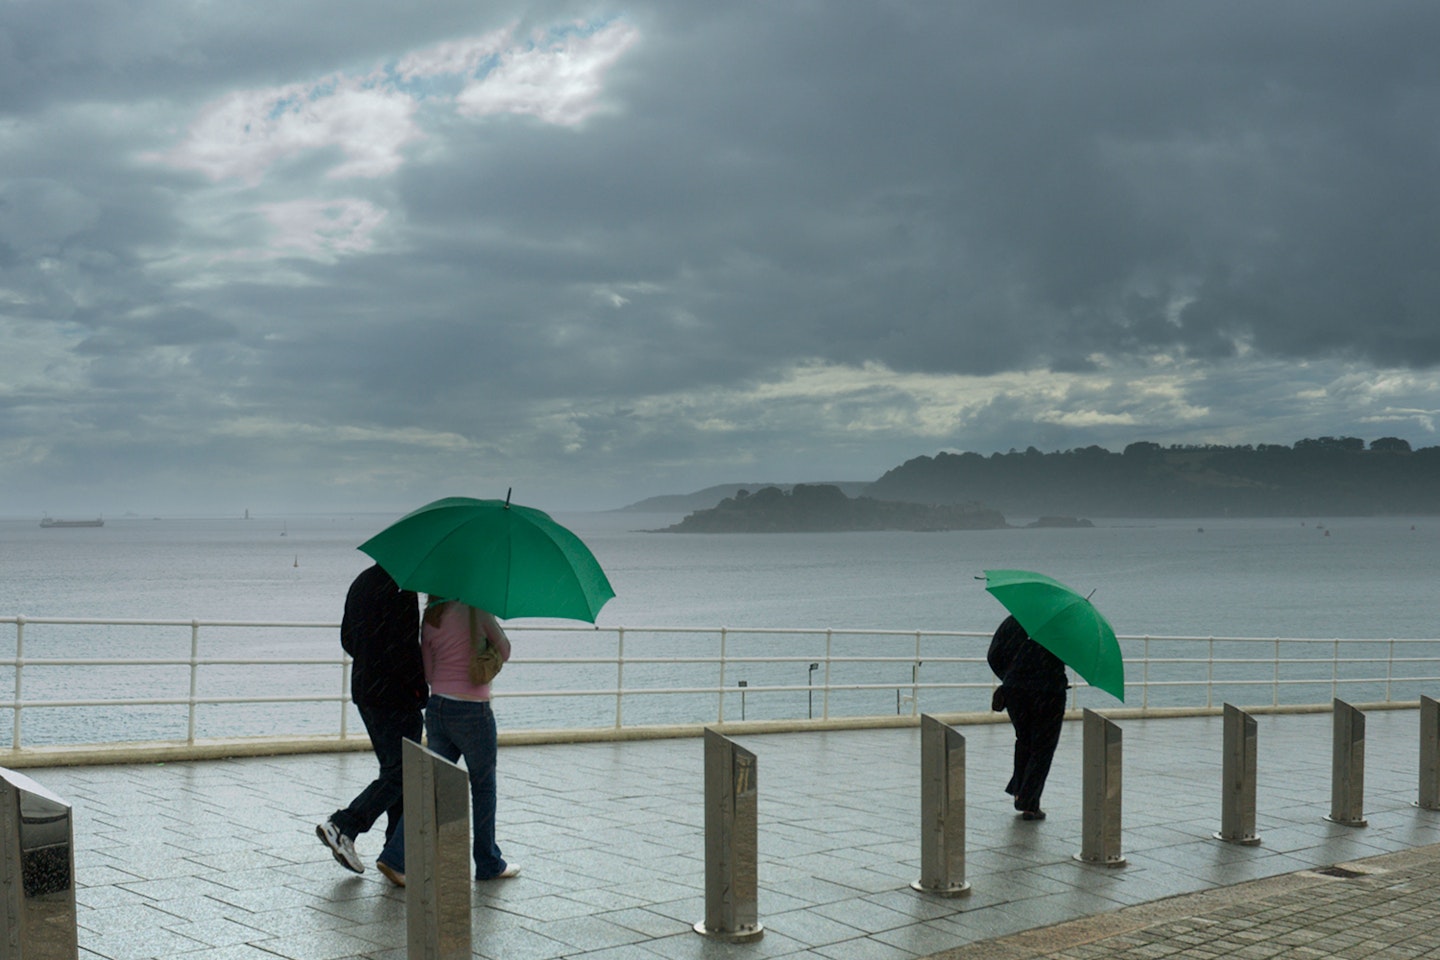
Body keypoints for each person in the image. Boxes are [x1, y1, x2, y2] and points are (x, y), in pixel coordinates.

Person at [375, 597, 518, 886]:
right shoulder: (478, 609)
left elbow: (428, 674)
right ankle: (489, 862)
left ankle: (395, 857)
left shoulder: (431, 617)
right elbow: (505, 650)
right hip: (472, 710)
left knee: (430, 787)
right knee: (483, 786)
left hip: (439, 709)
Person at [316, 564, 426, 874]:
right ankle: (343, 825)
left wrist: (371, 660)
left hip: (366, 688)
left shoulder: (362, 581)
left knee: (396, 770)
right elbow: (404, 648)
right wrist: (419, 688)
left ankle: (395, 854)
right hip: (396, 695)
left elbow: (348, 639)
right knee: (400, 773)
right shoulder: (402, 590)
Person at [988, 614, 1068, 821]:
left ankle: (1020, 791)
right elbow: (1073, 657)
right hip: (1049, 691)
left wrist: (1011, 676)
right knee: (1043, 747)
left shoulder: (1015, 618)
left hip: (1016, 691)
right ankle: (1029, 802)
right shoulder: (1062, 626)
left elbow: (993, 654)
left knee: (1024, 741)